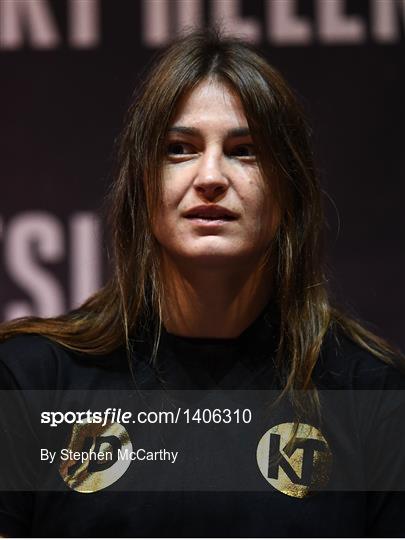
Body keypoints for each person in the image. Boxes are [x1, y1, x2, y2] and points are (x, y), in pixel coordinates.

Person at [0, 28, 404, 537]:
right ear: (140, 185)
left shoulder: (372, 395)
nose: (211, 176)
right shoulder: (32, 382)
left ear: (289, 189)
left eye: (244, 150)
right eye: (178, 148)